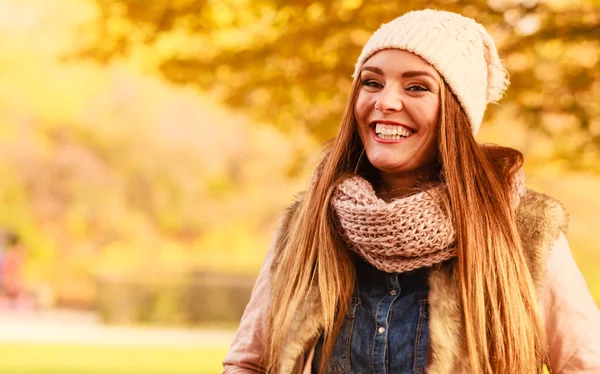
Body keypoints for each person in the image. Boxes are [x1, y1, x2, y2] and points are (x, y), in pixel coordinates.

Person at [223, 9, 600, 373]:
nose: (385, 101)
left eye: (417, 87)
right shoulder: (310, 221)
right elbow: (248, 364)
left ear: (456, 112)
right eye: (372, 82)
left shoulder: (523, 229)